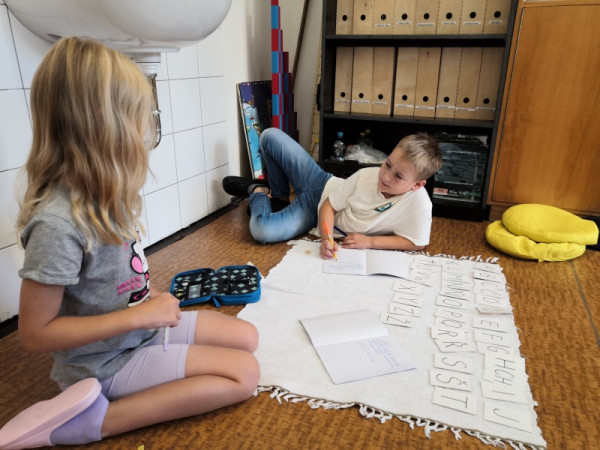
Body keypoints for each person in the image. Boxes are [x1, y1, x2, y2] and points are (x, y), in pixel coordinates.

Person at [0, 37, 259, 449]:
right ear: (105, 121)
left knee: (247, 337)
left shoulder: (104, 193)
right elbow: (35, 334)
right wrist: (139, 317)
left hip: (139, 332)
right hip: (103, 364)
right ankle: (95, 420)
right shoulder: (56, 223)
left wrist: (149, 302)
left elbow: (116, 281)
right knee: (243, 374)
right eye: (139, 114)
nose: (145, 127)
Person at [223, 127, 442, 259]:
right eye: (387, 164)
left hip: (311, 212)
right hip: (321, 182)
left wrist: (370, 242)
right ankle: (279, 198)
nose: (385, 176)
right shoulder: (366, 176)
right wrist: (327, 239)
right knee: (269, 136)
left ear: (417, 185)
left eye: (398, 176)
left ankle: (258, 191)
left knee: (262, 231)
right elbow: (329, 204)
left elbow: (417, 242)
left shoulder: (419, 204)